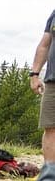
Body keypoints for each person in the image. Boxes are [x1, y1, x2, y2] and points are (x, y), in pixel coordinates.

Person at [28, 11, 55, 164]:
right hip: (53, 80)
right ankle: (50, 176)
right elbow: (44, 45)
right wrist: (35, 74)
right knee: (50, 127)